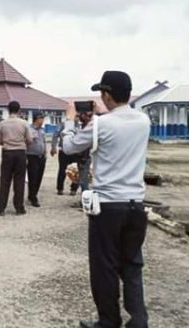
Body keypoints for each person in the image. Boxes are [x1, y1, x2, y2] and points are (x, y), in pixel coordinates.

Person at [62, 71, 150, 328]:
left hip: (108, 207)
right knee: (132, 265)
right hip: (136, 205)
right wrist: (104, 112)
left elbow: (70, 147)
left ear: (107, 94)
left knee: (105, 267)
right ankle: (138, 320)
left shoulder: (101, 125)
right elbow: (120, 122)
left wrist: (70, 121)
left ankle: (108, 321)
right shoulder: (143, 121)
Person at [0, 101, 31, 216]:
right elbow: (30, 140)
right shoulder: (24, 123)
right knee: (19, 180)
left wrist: (7, 141)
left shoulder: (2, 124)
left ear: (8, 110)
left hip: (7, 153)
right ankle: (19, 208)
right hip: (20, 153)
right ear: (19, 111)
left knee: (5, 180)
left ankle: (0, 208)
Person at [51, 118, 80, 196]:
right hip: (64, 150)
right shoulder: (63, 124)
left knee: (76, 170)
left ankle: (73, 189)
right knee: (62, 169)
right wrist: (53, 147)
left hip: (75, 151)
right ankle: (60, 188)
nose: (77, 117)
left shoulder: (79, 124)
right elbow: (55, 135)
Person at [26, 112, 47, 207]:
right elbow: (25, 141)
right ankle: (33, 197)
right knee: (33, 177)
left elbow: (44, 141)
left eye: (43, 118)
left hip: (41, 156)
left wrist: (45, 152)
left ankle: (33, 194)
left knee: (39, 177)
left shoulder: (42, 130)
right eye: (41, 118)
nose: (42, 120)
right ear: (36, 119)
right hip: (31, 156)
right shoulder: (29, 129)